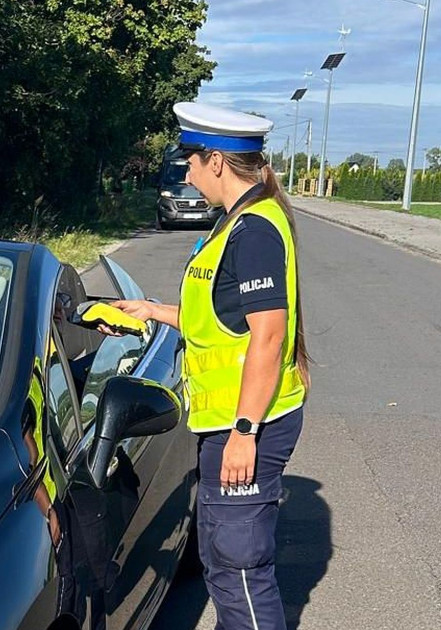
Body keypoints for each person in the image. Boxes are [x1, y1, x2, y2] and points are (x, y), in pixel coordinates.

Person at [105, 102, 311, 630]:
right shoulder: (235, 222)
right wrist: (153, 311)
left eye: (191, 163)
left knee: (240, 569)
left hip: (247, 422)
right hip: (226, 419)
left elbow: (269, 335)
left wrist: (245, 430)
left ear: (217, 161)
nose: (188, 175)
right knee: (221, 560)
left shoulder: (254, 231)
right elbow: (222, 319)